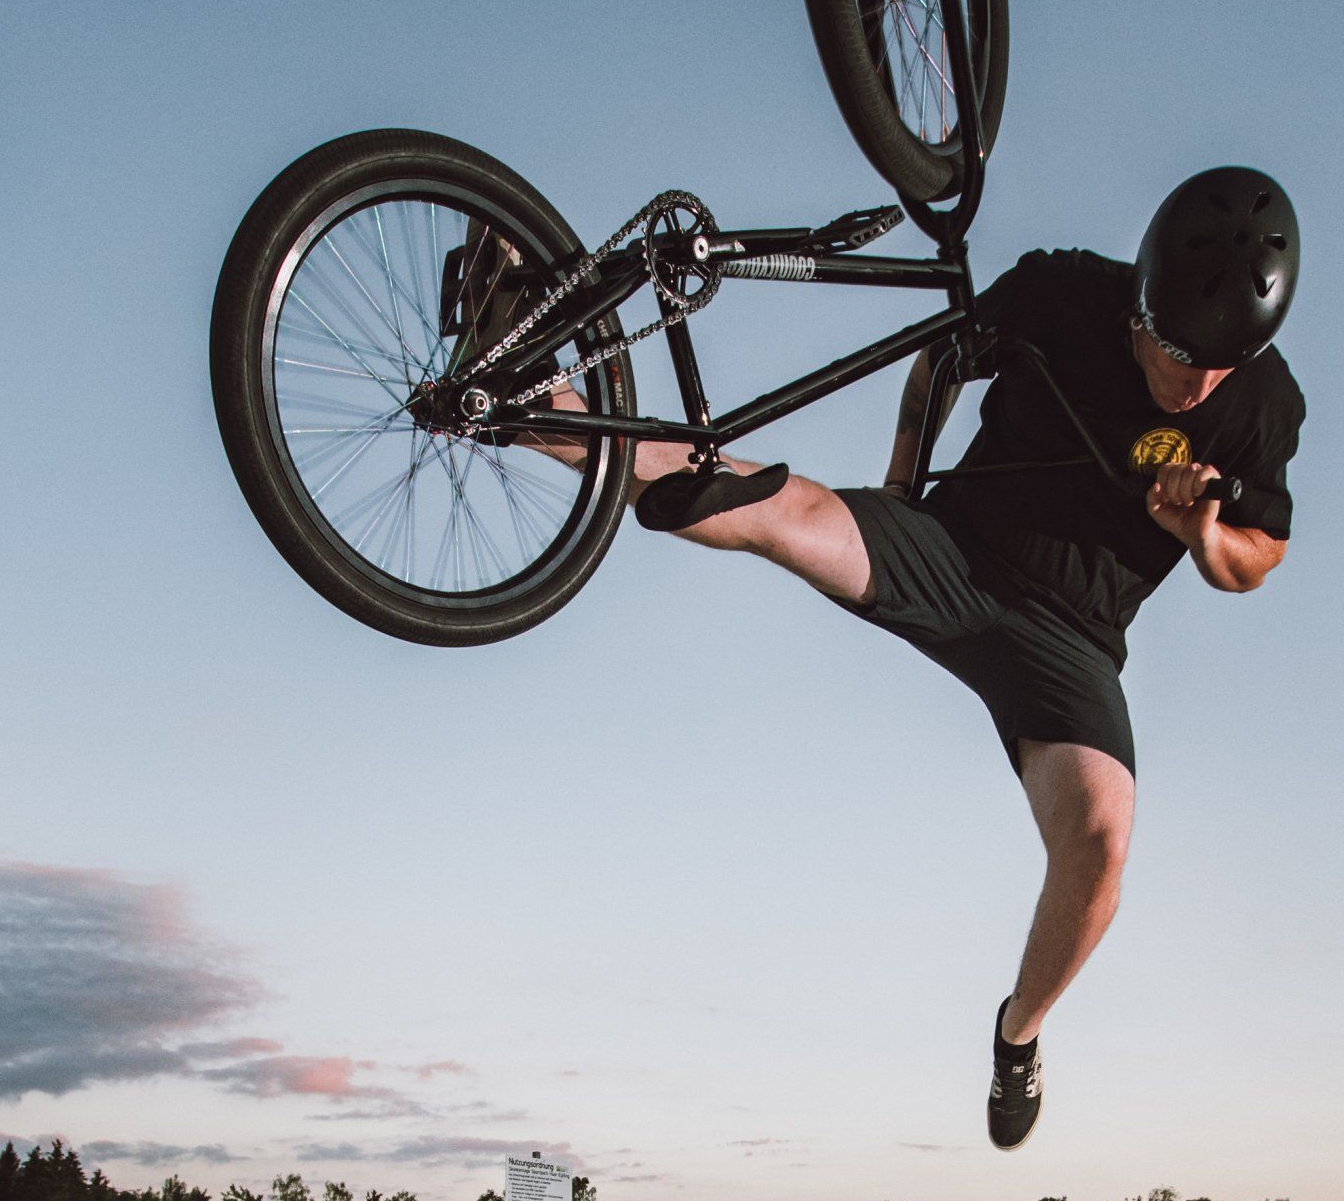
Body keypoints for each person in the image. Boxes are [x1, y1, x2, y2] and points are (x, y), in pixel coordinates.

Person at [526, 168, 1303, 1148]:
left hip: (1070, 647)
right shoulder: (1063, 290)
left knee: (1101, 848)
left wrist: (1202, 533)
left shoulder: (1264, 403)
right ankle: (541, 409)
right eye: (1175, 354)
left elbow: (1258, 559)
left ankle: (1017, 1036)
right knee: (776, 509)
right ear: (1142, 298)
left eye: (1216, 369)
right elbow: (939, 360)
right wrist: (901, 485)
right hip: (952, 552)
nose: (1191, 387)